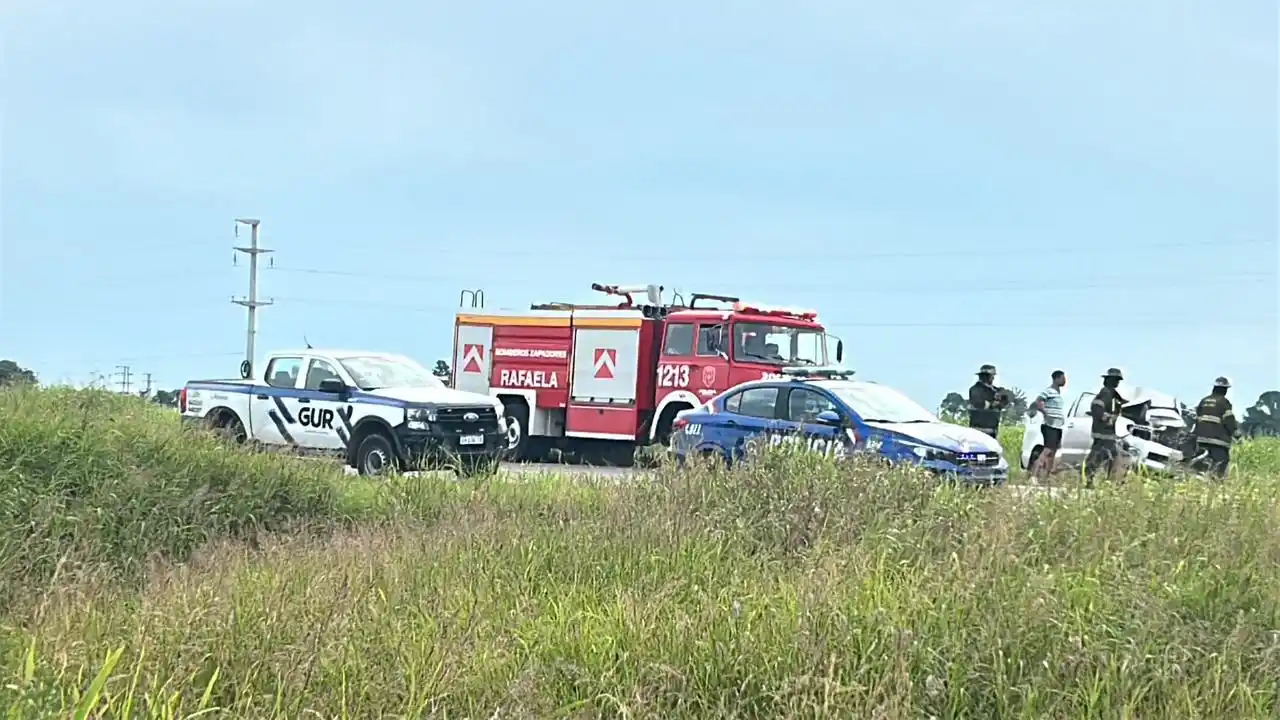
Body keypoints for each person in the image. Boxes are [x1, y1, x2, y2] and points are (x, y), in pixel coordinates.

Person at [1191, 376, 1239, 478]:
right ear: (1225, 390)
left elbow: (1196, 417)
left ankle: (1196, 482)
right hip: (1218, 441)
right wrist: (1237, 435)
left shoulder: (1204, 400)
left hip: (1200, 439)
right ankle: (1217, 484)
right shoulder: (1224, 402)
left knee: (1199, 464)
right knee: (1220, 463)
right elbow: (1229, 421)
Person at [1084, 367, 1127, 482]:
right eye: (1115, 379)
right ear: (1109, 380)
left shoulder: (1114, 395)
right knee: (1099, 456)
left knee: (1110, 457)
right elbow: (1096, 407)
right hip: (1102, 432)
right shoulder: (1105, 392)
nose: (1117, 382)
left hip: (1109, 433)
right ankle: (1091, 479)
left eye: (1118, 380)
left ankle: (1107, 480)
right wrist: (1106, 418)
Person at [1029, 370, 1068, 478]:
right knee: (1047, 450)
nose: (1064, 381)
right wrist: (1045, 412)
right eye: (1062, 378)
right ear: (1056, 379)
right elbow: (1038, 401)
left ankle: (1046, 476)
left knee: (1053, 452)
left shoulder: (1058, 393)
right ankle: (1034, 475)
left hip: (1057, 426)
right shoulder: (1049, 391)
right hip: (1050, 425)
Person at [967, 364, 1010, 438]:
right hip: (978, 429)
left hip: (992, 430)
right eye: (991, 375)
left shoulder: (995, 390)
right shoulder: (975, 389)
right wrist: (992, 404)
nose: (993, 378)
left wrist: (1000, 399)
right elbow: (979, 403)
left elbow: (1005, 401)